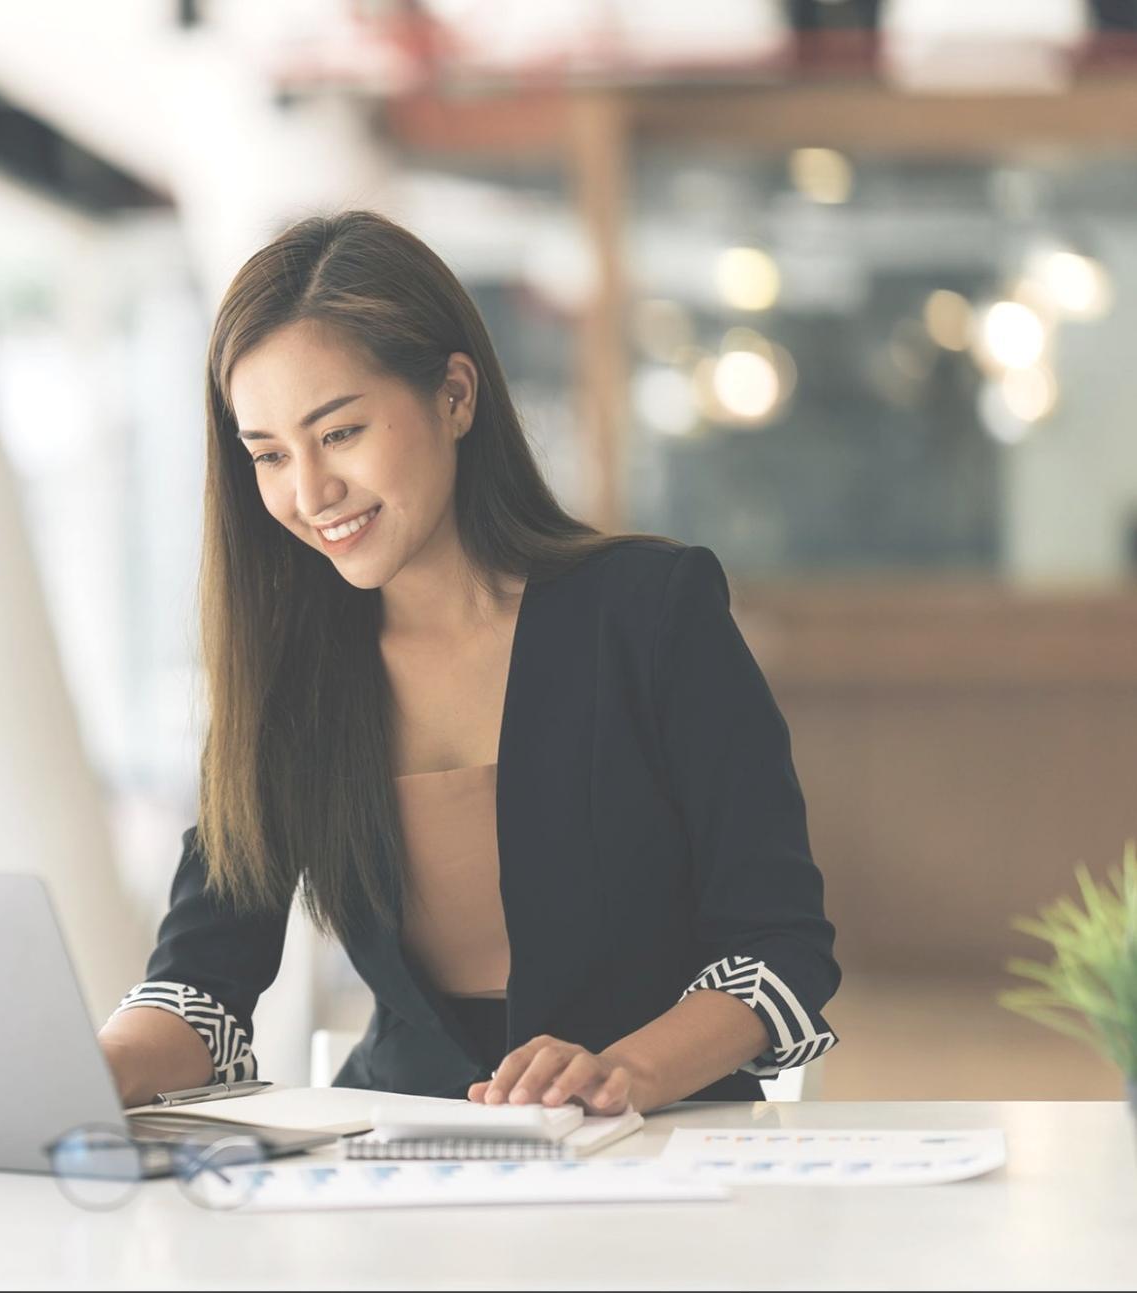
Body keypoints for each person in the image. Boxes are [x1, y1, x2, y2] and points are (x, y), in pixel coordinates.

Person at [96, 210, 839, 1115]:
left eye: (339, 434)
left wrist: (627, 1071)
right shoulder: (291, 676)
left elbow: (778, 946)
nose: (308, 492)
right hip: (398, 1157)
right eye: (269, 455)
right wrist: (86, 1068)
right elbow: (201, 986)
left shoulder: (650, 612)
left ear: (454, 395)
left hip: (656, 1146)